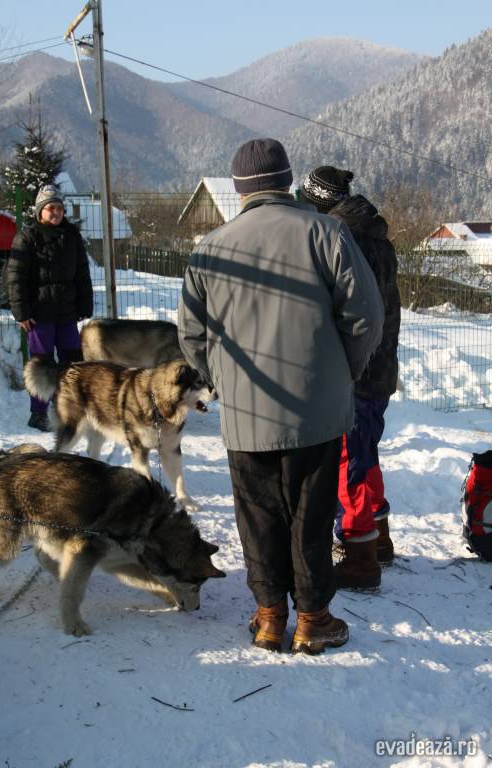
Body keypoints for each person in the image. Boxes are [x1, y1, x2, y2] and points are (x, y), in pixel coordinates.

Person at [178, 138, 384, 654]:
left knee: (257, 515)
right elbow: (367, 317)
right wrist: (345, 371)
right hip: (318, 410)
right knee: (311, 516)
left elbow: (191, 336)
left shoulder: (211, 248)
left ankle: (269, 617)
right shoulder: (327, 232)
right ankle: (313, 619)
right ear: (288, 182)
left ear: (241, 190)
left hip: (247, 411)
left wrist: (223, 378)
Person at [299, 166, 401, 590]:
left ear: (320, 202)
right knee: (364, 452)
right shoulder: (373, 234)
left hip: (356, 370)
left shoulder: (341, 238)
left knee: (348, 462)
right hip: (380, 368)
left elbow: (343, 310)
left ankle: (360, 554)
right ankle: (378, 540)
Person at [6, 184, 93, 431]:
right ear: (40, 211)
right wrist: (22, 313)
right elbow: (15, 277)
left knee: (73, 363)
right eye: (50, 208)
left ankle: (71, 408)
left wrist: (84, 304)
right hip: (38, 316)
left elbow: (82, 273)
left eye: (59, 208)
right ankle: (38, 413)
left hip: (66, 314)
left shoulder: (72, 236)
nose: (56, 212)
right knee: (42, 365)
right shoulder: (27, 237)